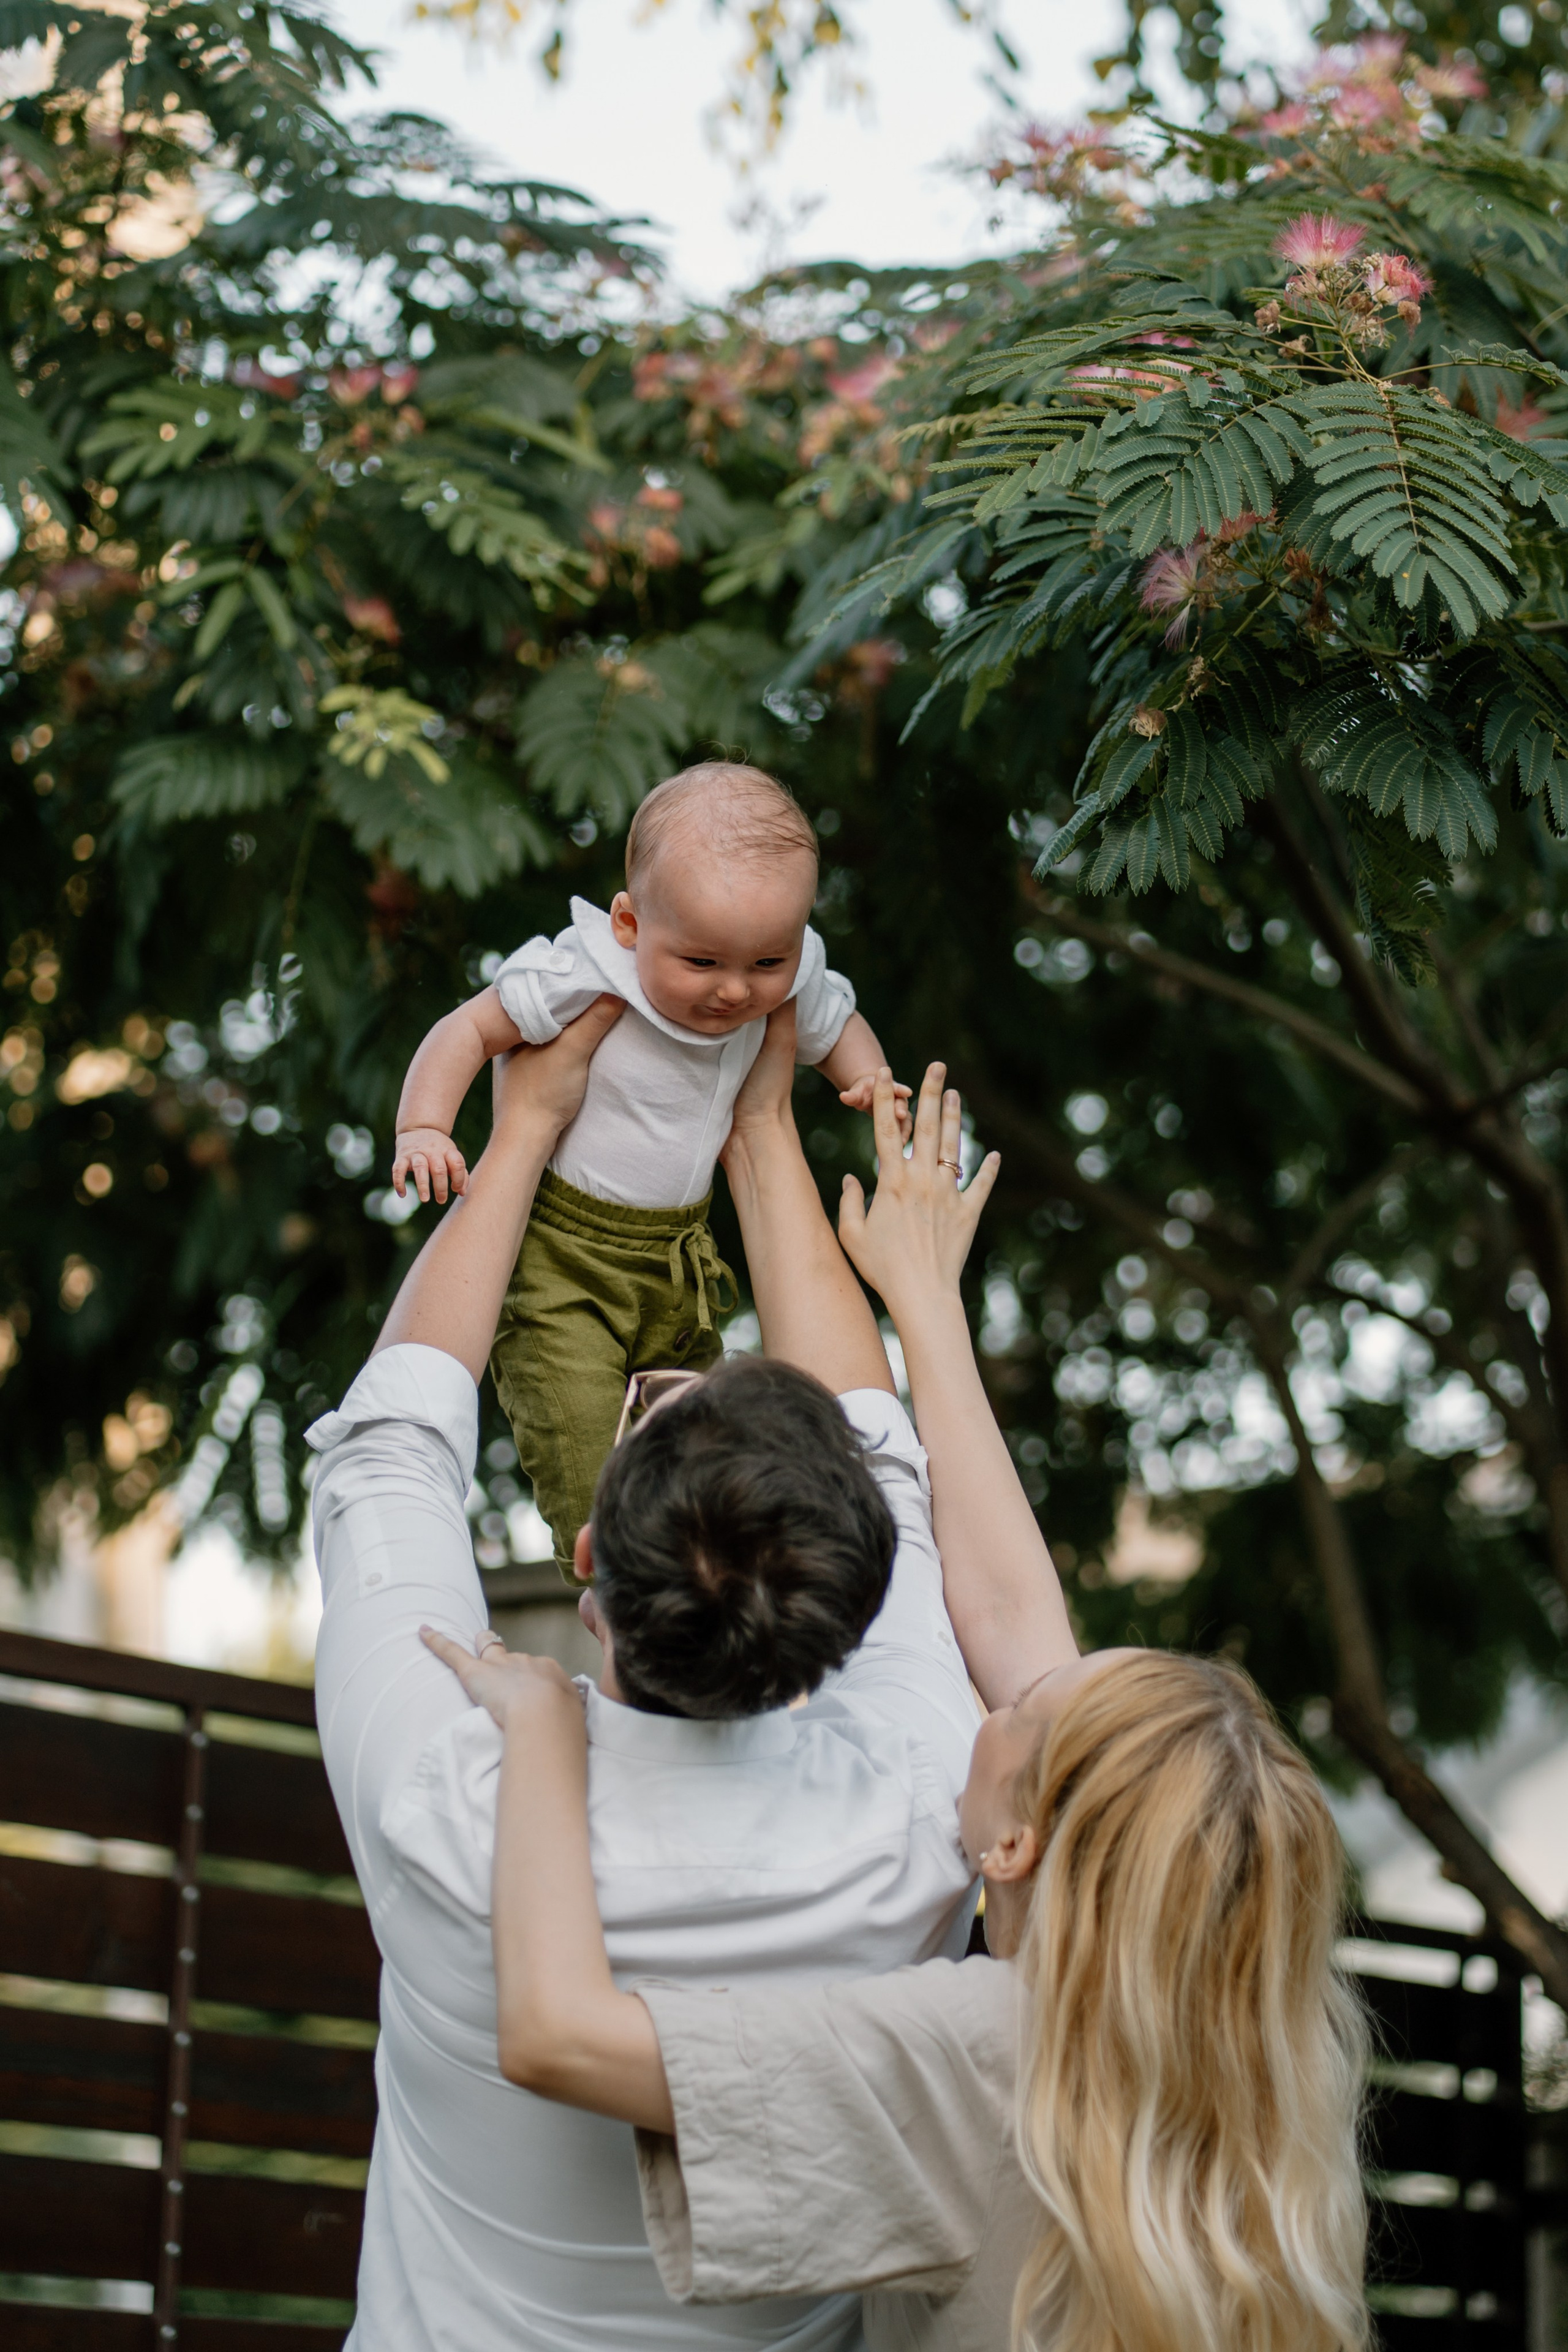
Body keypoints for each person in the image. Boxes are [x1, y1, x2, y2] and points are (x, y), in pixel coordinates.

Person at [427, 1068, 1373, 2352]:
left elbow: (551, 2035)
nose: (1009, 1676)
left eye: (1026, 1705)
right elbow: (1000, 1609)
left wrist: (542, 1730)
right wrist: (919, 1300)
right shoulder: (1265, 2079)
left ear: (1013, 1845)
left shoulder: (984, 2053)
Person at [306, 999, 1050, 2352]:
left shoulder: (444, 1790)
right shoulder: (920, 1811)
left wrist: (524, 1126)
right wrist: (761, 1119)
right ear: (853, 1602)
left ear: (586, 1560)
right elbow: (888, 1451)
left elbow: (387, 1448)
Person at [388, 760, 908, 1575]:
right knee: (581, 1442)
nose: (737, 992)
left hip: (680, 1262)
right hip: (562, 1257)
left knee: (685, 1450)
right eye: (702, 963)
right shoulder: (590, 968)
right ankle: (609, 1575)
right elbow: (468, 1031)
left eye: (766, 964)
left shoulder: (789, 973)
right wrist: (424, 1127)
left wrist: (870, 1084)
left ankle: (694, 1595)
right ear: (630, 923)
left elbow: (841, 1028)